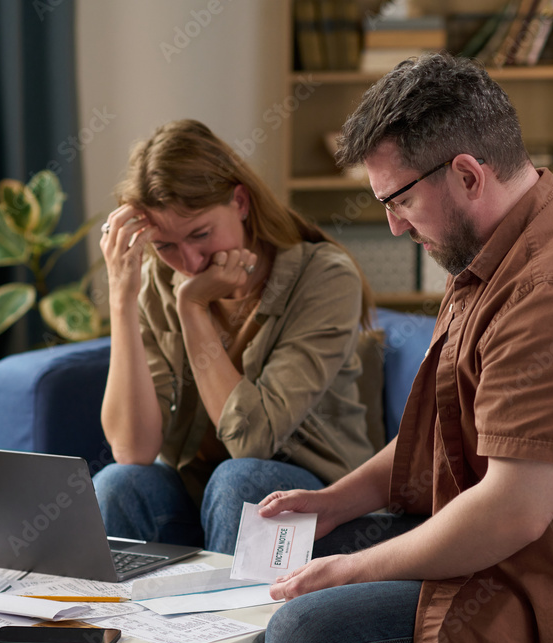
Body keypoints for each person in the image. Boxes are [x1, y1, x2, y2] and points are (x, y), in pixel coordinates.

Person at [260, 54, 553, 643]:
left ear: (467, 175)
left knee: (303, 630)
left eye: (399, 201)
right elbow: (445, 434)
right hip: (491, 545)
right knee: (255, 500)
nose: (392, 227)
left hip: (541, 589)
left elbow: (512, 512)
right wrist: (337, 500)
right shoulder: (492, 253)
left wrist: (353, 569)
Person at [93, 119, 377, 554]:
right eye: (165, 245)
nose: (188, 261)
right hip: (199, 494)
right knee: (118, 483)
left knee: (239, 481)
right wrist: (121, 298)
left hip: (313, 497)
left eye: (200, 234)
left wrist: (193, 310)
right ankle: (122, 624)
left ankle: (228, 625)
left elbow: (251, 441)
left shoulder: (323, 278)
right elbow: (133, 449)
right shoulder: (156, 280)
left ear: (240, 202)